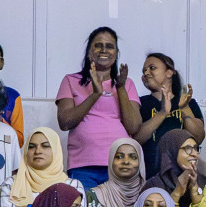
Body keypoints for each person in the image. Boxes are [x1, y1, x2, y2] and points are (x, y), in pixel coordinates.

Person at [55, 27, 142, 186]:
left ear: (116, 53)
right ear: (89, 52)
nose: (104, 50)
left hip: (120, 164)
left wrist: (120, 88)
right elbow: (65, 122)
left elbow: (134, 126)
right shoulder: (70, 80)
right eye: (98, 45)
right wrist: (95, 93)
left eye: (109, 46)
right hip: (83, 166)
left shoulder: (127, 84)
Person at [134, 53, 205, 169]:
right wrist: (163, 113)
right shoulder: (141, 103)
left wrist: (184, 108)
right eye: (144, 71)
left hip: (183, 171)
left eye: (152, 68)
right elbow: (136, 139)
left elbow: (198, 138)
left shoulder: (188, 102)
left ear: (169, 72)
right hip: (150, 173)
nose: (146, 73)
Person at [0, 127, 84, 207]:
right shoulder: (11, 185)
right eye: (31, 146)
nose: (38, 151)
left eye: (45, 146)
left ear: (56, 150)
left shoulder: (72, 186)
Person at [84, 138, 147, 207]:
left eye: (133, 157)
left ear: (140, 162)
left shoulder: (150, 194)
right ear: (110, 161)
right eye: (119, 157)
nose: (126, 161)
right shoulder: (94, 196)